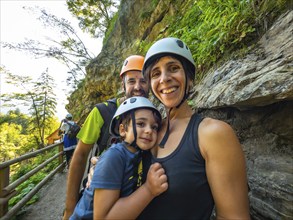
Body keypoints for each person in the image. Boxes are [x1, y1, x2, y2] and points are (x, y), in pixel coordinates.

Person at [136, 37, 250, 219]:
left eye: (173, 68)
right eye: (155, 73)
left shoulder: (212, 134)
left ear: (189, 78)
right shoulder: (148, 132)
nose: (164, 79)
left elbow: (233, 216)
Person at [63, 55, 150, 219]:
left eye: (143, 81)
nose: (138, 87)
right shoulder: (102, 112)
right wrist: (70, 208)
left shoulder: (152, 117)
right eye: (131, 81)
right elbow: (80, 156)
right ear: (123, 84)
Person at [69, 96, 168, 220]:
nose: (149, 130)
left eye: (154, 127)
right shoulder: (114, 157)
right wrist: (149, 190)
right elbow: (102, 217)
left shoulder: (139, 154)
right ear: (122, 130)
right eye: (141, 124)